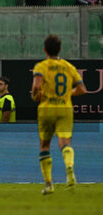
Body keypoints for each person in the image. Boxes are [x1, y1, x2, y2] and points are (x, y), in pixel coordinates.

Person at [31, 35, 87, 195]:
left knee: (44, 146)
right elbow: (83, 89)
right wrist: (68, 93)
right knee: (65, 143)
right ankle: (69, 167)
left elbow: (36, 86)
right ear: (60, 49)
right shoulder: (68, 67)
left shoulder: (41, 66)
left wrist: (35, 95)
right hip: (65, 108)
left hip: (47, 109)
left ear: (44, 50)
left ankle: (49, 184)